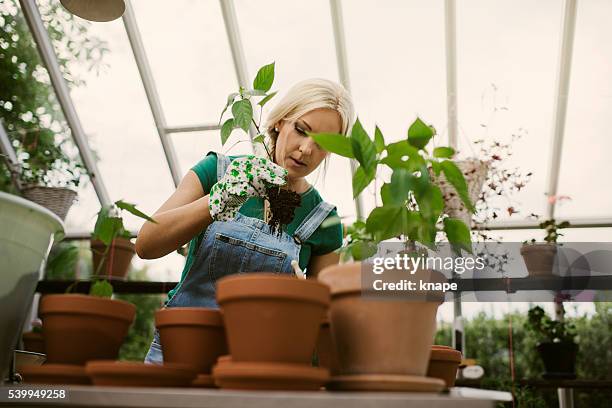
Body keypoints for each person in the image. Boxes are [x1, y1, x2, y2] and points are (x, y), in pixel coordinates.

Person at [136, 78, 355, 364]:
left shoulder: (323, 221)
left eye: (323, 144)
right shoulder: (217, 171)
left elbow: (320, 327)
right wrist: (218, 199)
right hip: (180, 354)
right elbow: (146, 245)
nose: (306, 150)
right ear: (279, 122)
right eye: (301, 130)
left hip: (259, 368)